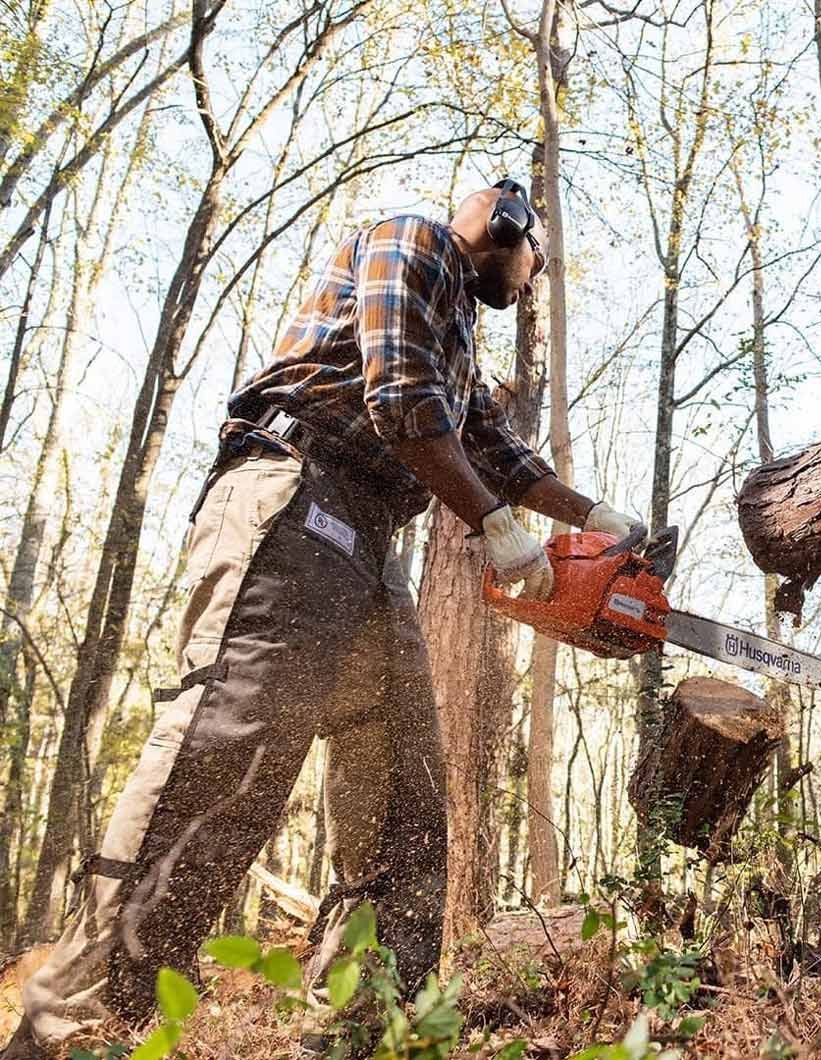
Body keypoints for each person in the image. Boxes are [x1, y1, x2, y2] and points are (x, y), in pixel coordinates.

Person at [2, 180, 639, 1058]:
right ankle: (84, 1031)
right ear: (506, 223)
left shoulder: (458, 335)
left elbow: (496, 449)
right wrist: (495, 526)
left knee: (404, 796)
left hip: (368, 539)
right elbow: (400, 399)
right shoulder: (416, 243)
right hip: (295, 496)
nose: (535, 280)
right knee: (225, 757)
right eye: (538, 261)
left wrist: (595, 517)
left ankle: (361, 1029)